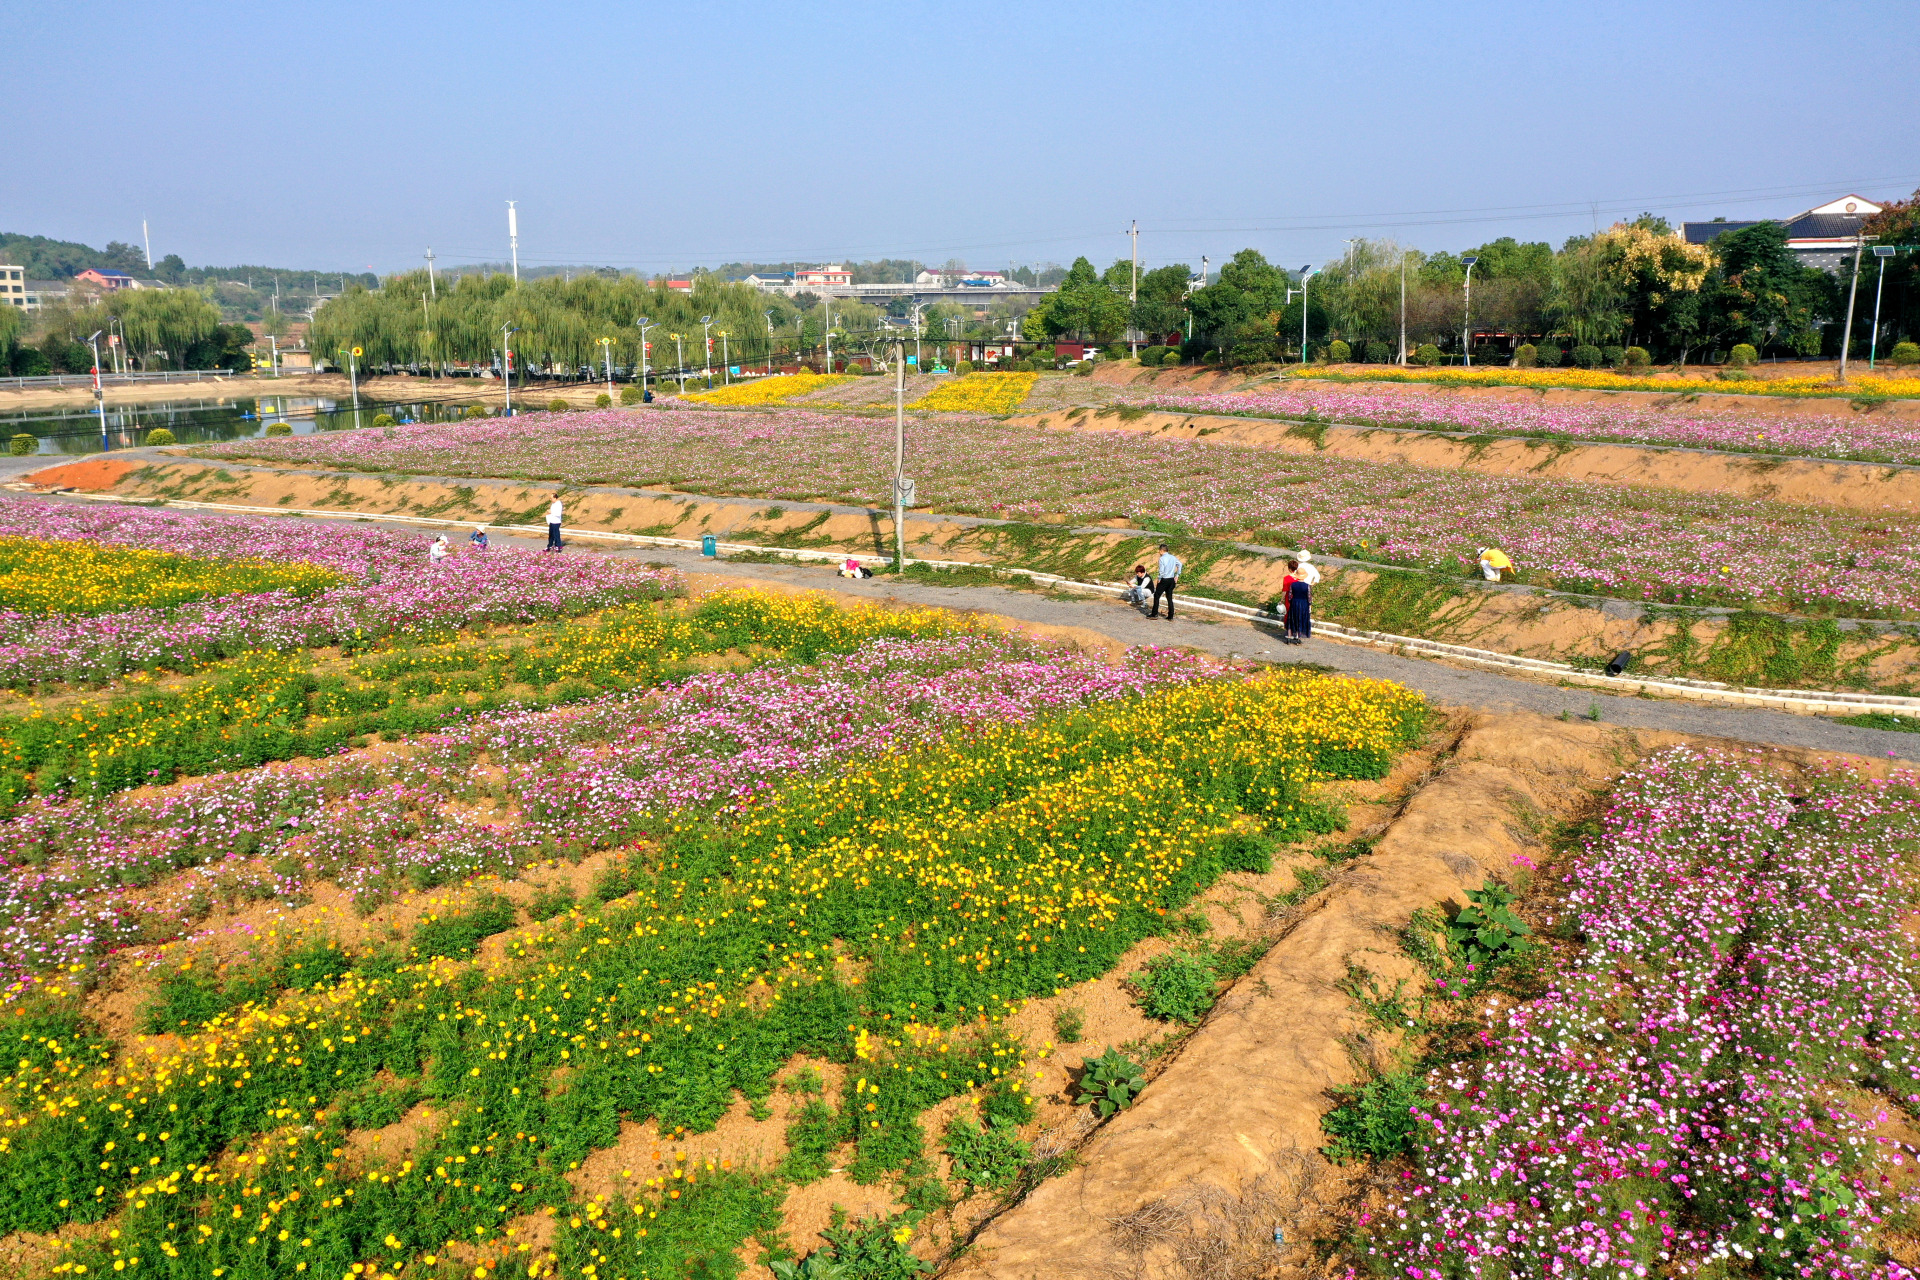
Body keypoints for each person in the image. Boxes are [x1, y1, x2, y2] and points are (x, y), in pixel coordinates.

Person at [1148, 542, 1182, 620]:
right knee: (1169, 597)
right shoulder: (1173, 557)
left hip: (1164, 579)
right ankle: (1170, 616)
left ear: (1161, 550)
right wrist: (1177, 575)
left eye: (1159, 551)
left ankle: (1154, 614)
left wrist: (1159, 579)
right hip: (1171, 579)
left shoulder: (1162, 559)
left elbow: (1162, 571)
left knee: (1156, 596)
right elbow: (1180, 564)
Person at [1288, 560, 1313, 643]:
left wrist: (1291, 601)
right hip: (1304, 603)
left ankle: (1293, 635)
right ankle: (1299, 636)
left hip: (1295, 602)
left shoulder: (1293, 584)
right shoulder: (1307, 586)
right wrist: (1309, 604)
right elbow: (1309, 597)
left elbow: (1290, 596)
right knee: (1301, 618)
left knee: (1294, 618)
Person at [1280, 560, 1299, 642]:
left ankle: (1289, 632)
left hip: (1289, 598)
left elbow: (1284, 590)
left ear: (1289, 568)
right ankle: (1296, 633)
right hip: (1298, 598)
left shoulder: (1287, 578)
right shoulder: (1300, 578)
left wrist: (1281, 600)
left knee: (1288, 614)